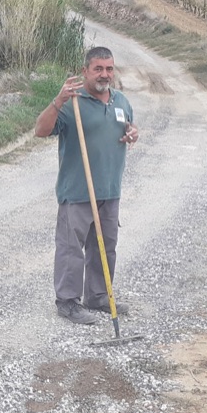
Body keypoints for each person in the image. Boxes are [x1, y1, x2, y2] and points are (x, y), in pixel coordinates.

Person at [33, 47, 139, 325]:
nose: (104, 74)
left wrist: (133, 133)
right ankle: (68, 302)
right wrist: (58, 101)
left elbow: (129, 127)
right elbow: (40, 130)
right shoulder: (72, 103)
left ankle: (98, 296)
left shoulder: (120, 101)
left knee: (106, 246)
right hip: (77, 191)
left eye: (109, 68)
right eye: (98, 69)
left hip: (110, 190)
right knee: (71, 249)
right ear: (85, 71)